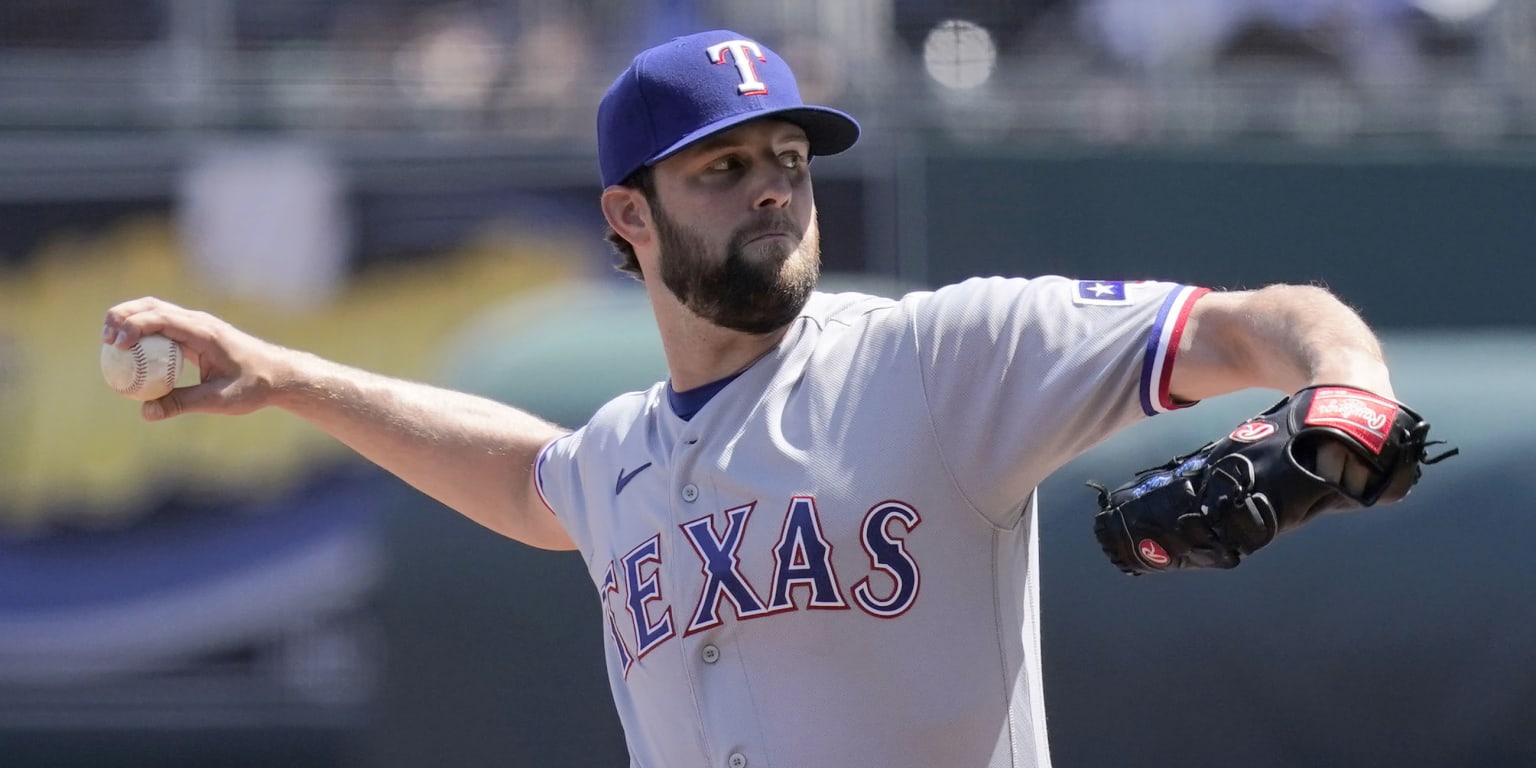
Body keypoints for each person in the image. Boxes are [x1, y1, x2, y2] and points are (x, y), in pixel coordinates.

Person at [103, 29, 1405, 768]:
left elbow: (1264, 320)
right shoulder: (619, 459)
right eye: (723, 169)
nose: (772, 188)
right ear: (630, 216)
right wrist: (283, 376)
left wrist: (1345, 399)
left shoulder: (941, 357)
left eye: (788, 159)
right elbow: (526, 479)